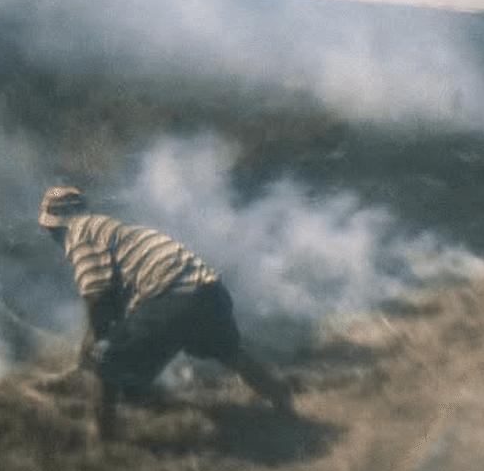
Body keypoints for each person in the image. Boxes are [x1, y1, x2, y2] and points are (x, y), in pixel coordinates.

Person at [38, 185, 293, 442]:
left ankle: (103, 441)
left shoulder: (79, 232)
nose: (51, 236)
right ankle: (279, 396)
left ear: (59, 224)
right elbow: (116, 304)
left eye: (50, 229)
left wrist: (93, 345)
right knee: (228, 351)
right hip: (209, 290)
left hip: (174, 294)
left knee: (105, 358)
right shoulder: (111, 229)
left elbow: (96, 293)